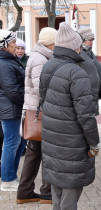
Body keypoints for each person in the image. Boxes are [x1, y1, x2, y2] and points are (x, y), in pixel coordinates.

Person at [39, 22, 100, 209]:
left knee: (58, 187)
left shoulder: (48, 65)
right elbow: (86, 115)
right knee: (71, 192)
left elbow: (42, 101)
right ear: (75, 46)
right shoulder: (76, 72)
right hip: (73, 141)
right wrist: (94, 142)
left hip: (52, 138)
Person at [16, 27, 57, 204]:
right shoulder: (40, 59)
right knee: (46, 153)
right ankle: (46, 193)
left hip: (36, 111)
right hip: (40, 113)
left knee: (34, 154)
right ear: (51, 43)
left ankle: (24, 192)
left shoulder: (39, 56)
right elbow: (42, 88)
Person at [0, 30, 26, 191]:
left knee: (20, 142)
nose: (16, 45)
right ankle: (8, 179)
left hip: (13, 107)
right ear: (3, 45)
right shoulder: (4, 63)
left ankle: (11, 176)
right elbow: (12, 90)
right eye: (12, 43)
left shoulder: (9, 60)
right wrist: (27, 98)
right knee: (11, 143)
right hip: (10, 109)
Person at [77, 27, 101, 115]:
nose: (92, 42)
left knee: (92, 119)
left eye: (93, 40)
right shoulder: (78, 54)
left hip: (94, 93)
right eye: (89, 40)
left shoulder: (90, 54)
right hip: (85, 94)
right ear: (82, 40)